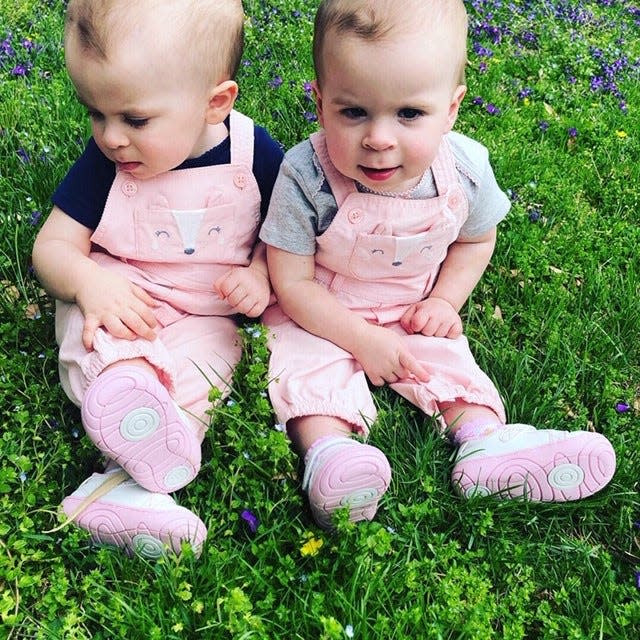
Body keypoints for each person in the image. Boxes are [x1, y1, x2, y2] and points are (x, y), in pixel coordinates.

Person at [259, 0, 616, 529]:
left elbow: (476, 241)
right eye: (352, 111)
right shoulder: (305, 175)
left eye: (410, 114)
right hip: (321, 312)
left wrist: (445, 301)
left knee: (447, 363)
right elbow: (290, 281)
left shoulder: (465, 171)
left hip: (410, 307)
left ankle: (483, 443)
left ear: (451, 109)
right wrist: (362, 341)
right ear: (319, 101)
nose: (379, 138)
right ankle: (331, 457)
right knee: (309, 372)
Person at [32, 0, 283, 557]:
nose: (111, 137)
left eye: (134, 119)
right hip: (120, 295)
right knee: (101, 341)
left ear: (215, 103)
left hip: (206, 313)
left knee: (204, 373)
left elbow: (288, 232)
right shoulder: (104, 165)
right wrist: (85, 282)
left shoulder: (255, 155)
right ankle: (126, 406)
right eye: (95, 113)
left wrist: (263, 271)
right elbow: (51, 246)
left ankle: (130, 487)